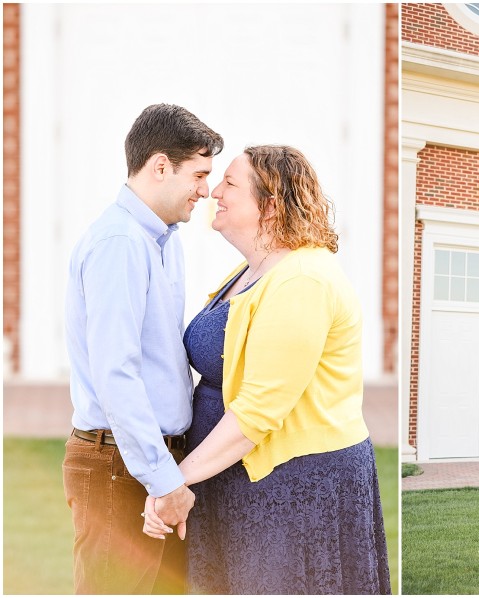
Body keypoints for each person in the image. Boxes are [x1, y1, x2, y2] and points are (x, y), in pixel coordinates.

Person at [142, 145, 392, 594]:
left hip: (293, 490)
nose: (215, 190)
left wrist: (173, 480)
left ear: (271, 205)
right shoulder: (253, 270)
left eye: (230, 184)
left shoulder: (303, 280)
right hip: (236, 480)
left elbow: (257, 411)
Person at [62, 104, 224, 594]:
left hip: (149, 462)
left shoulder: (163, 240)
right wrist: (164, 483)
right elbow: (117, 374)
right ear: (159, 166)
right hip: (119, 467)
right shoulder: (120, 242)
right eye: (198, 174)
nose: (206, 189)